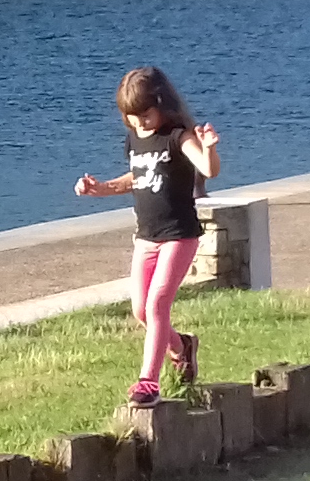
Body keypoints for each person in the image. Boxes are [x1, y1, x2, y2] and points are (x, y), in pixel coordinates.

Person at [74, 66, 221, 408]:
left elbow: (208, 170)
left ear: (162, 104)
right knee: (141, 310)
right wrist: (102, 188)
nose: (139, 122)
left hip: (178, 236)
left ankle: (148, 382)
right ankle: (182, 347)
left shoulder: (179, 136)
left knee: (157, 305)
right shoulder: (135, 139)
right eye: (131, 116)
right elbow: (138, 176)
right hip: (146, 237)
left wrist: (209, 149)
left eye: (145, 114)